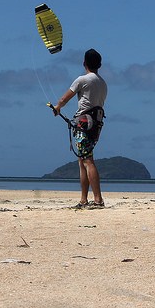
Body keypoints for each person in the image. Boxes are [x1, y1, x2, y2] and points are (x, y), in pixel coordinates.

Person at [53, 48, 108, 209]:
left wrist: (57, 107)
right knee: (83, 160)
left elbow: (64, 98)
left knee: (87, 161)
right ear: (100, 65)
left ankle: (98, 200)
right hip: (96, 125)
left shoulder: (82, 80)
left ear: (84, 63)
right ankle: (83, 199)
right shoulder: (103, 83)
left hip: (84, 123)